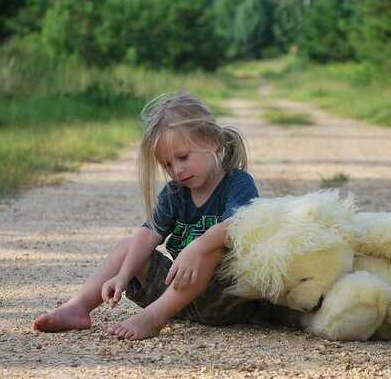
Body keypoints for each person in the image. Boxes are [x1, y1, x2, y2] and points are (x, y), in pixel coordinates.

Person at [33, 92, 299, 340]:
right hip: (177, 296)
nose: (177, 170)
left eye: (183, 157)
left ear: (213, 142)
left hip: (224, 301)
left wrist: (197, 246)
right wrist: (123, 276)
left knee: (213, 248)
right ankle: (78, 307)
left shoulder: (237, 182)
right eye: (168, 164)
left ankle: (153, 318)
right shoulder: (175, 192)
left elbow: (240, 224)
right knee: (129, 246)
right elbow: (150, 233)